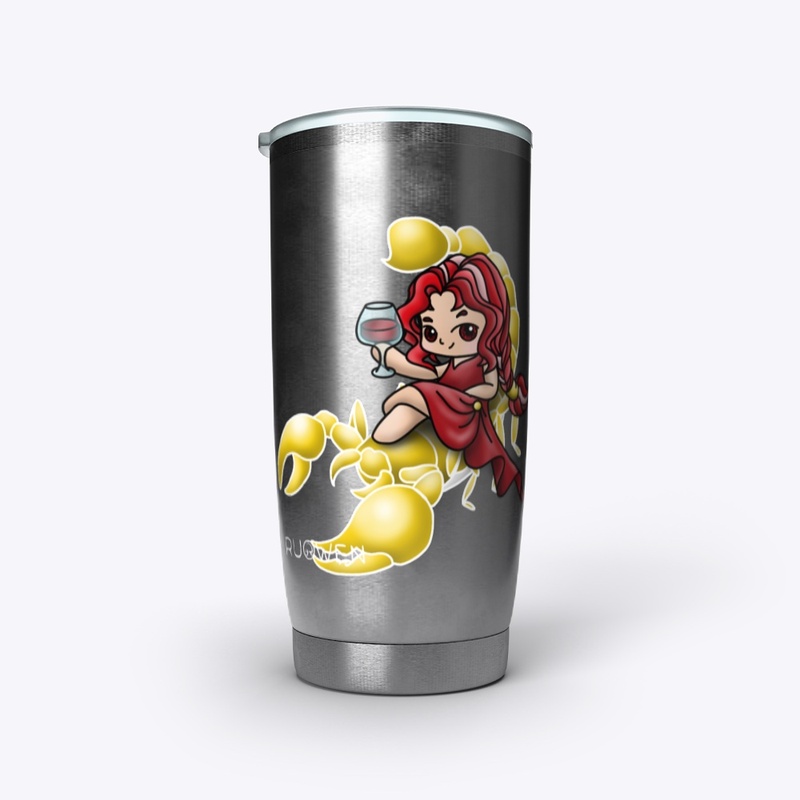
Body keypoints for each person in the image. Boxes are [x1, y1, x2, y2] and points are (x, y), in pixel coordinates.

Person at [371, 253, 527, 497]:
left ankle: (404, 398)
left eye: (466, 330)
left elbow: (489, 388)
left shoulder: (483, 361)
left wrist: (470, 393)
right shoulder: (454, 364)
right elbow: (433, 372)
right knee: (419, 401)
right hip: (447, 402)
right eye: (431, 332)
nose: (446, 342)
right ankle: (397, 410)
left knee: (423, 393)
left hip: (467, 410)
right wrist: (397, 363)